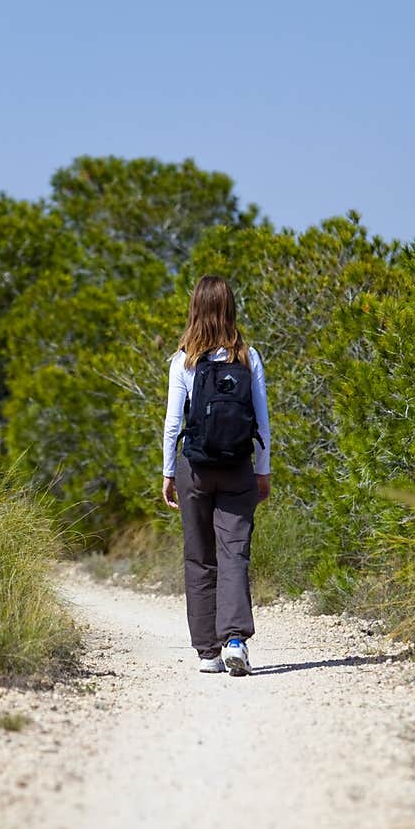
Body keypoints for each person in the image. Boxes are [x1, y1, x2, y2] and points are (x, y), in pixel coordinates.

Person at [162, 275, 271, 676]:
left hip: (195, 467)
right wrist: (263, 471)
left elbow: (174, 423)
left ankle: (208, 651)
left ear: (194, 309)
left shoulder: (184, 360)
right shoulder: (248, 357)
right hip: (238, 466)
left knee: (199, 557)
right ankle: (236, 641)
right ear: (230, 309)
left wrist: (168, 472)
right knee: (234, 553)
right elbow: (263, 421)